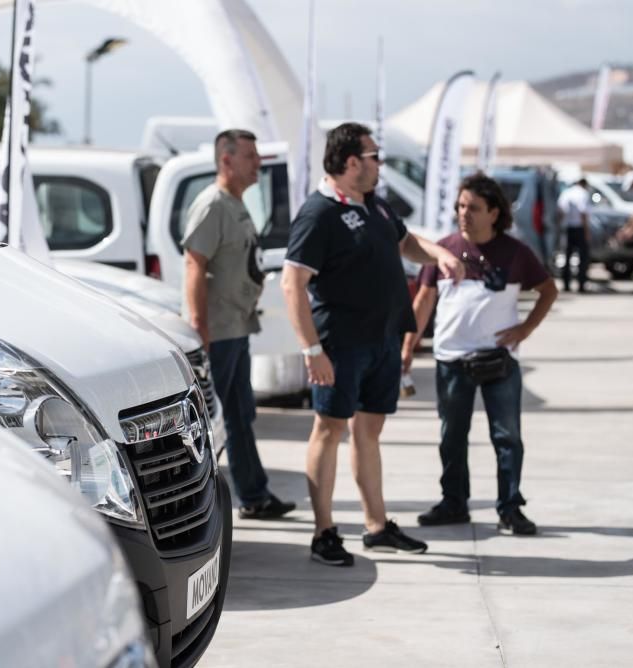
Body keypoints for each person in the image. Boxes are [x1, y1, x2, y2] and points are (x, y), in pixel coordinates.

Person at [281, 122, 465, 566]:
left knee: (369, 430)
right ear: (350, 162)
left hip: (381, 340)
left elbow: (407, 244)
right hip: (340, 345)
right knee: (329, 429)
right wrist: (312, 350)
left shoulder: (375, 206)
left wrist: (438, 253)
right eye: (374, 156)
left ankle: (376, 526)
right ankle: (324, 532)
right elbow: (292, 284)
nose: (380, 163)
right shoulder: (318, 213)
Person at [403, 173, 558, 536]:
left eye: (472, 207)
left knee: (507, 438)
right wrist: (408, 346)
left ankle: (510, 508)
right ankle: (453, 503)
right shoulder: (442, 250)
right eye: (460, 206)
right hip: (452, 361)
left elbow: (548, 290)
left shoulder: (516, 253)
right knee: (451, 436)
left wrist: (525, 329)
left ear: (494, 212)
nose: (463, 213)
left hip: (498, 362)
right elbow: (424, 300)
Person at [182, 128, 295, 520]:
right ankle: (197, 503)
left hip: (237, 327)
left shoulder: (236, 204)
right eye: (250, 156)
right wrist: (199, 326)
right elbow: (195, 263)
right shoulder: (213, 205)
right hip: (218, 332)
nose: (258, 164)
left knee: (240, 414)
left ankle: (254, 494)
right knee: (209, 421)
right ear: (226, 160)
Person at [557, 177, 592, 292]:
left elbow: (560, 211)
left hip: (568, 228)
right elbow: (583, 213)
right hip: (579, 228)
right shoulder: (583, 194)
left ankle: (566, 284)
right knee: (582, 257)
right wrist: (587, 232)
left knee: (567, 257)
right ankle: (581, 284)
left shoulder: (566, 193)